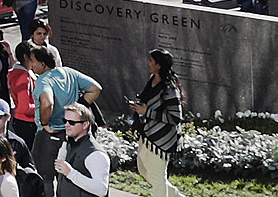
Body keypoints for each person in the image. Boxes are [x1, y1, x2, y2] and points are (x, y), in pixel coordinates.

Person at [26, 44, 101, 195]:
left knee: (44, 178)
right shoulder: (69, 73)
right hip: (73, 134)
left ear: (43, 64)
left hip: (50, 136)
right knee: (68, 175)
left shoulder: (43, 81)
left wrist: (45, 123)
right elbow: (95, 88)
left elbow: (47, 103)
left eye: (33, 61)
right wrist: (78, 108)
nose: (31, 65)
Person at [120, 48, 183, 197]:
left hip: (161, 140)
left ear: (159, 65)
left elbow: (175, 117)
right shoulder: (152, 79)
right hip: (146, 134)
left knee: (157, 177)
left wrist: (147, 111)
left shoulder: (170, 88)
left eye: (151, 61)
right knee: (144, 170)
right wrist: (138, 106)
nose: (148, 63)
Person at [55, 102, 109, 196]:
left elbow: (101, 190)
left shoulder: (95, 154)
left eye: (72, 122)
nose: (67, 125)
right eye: (65, 121)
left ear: (85, 125)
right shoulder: (69, 145)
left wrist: (70, 173)